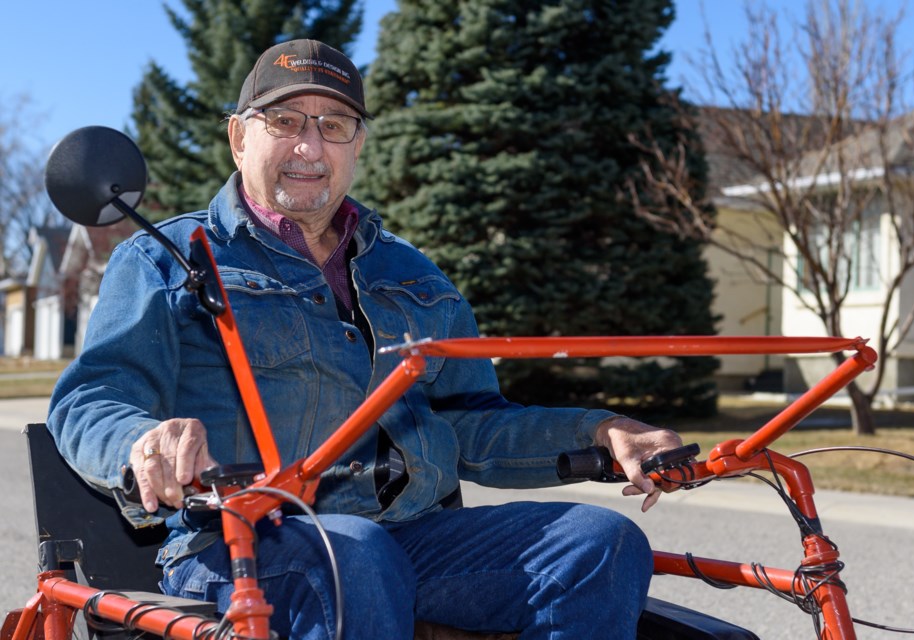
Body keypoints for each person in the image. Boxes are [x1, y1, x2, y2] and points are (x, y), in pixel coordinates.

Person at [48, 39, 683, 640]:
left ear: (359, 144)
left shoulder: (413, 275)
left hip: (409, 536)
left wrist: (600, 431)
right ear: (240, 137)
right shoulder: (166, 260)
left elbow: (475, 424)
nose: (310, 146)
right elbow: (90, 399)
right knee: (355, 554)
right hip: (240, 539)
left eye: (333, 125)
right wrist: (141, 440)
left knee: (599, 542)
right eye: (286, 121)